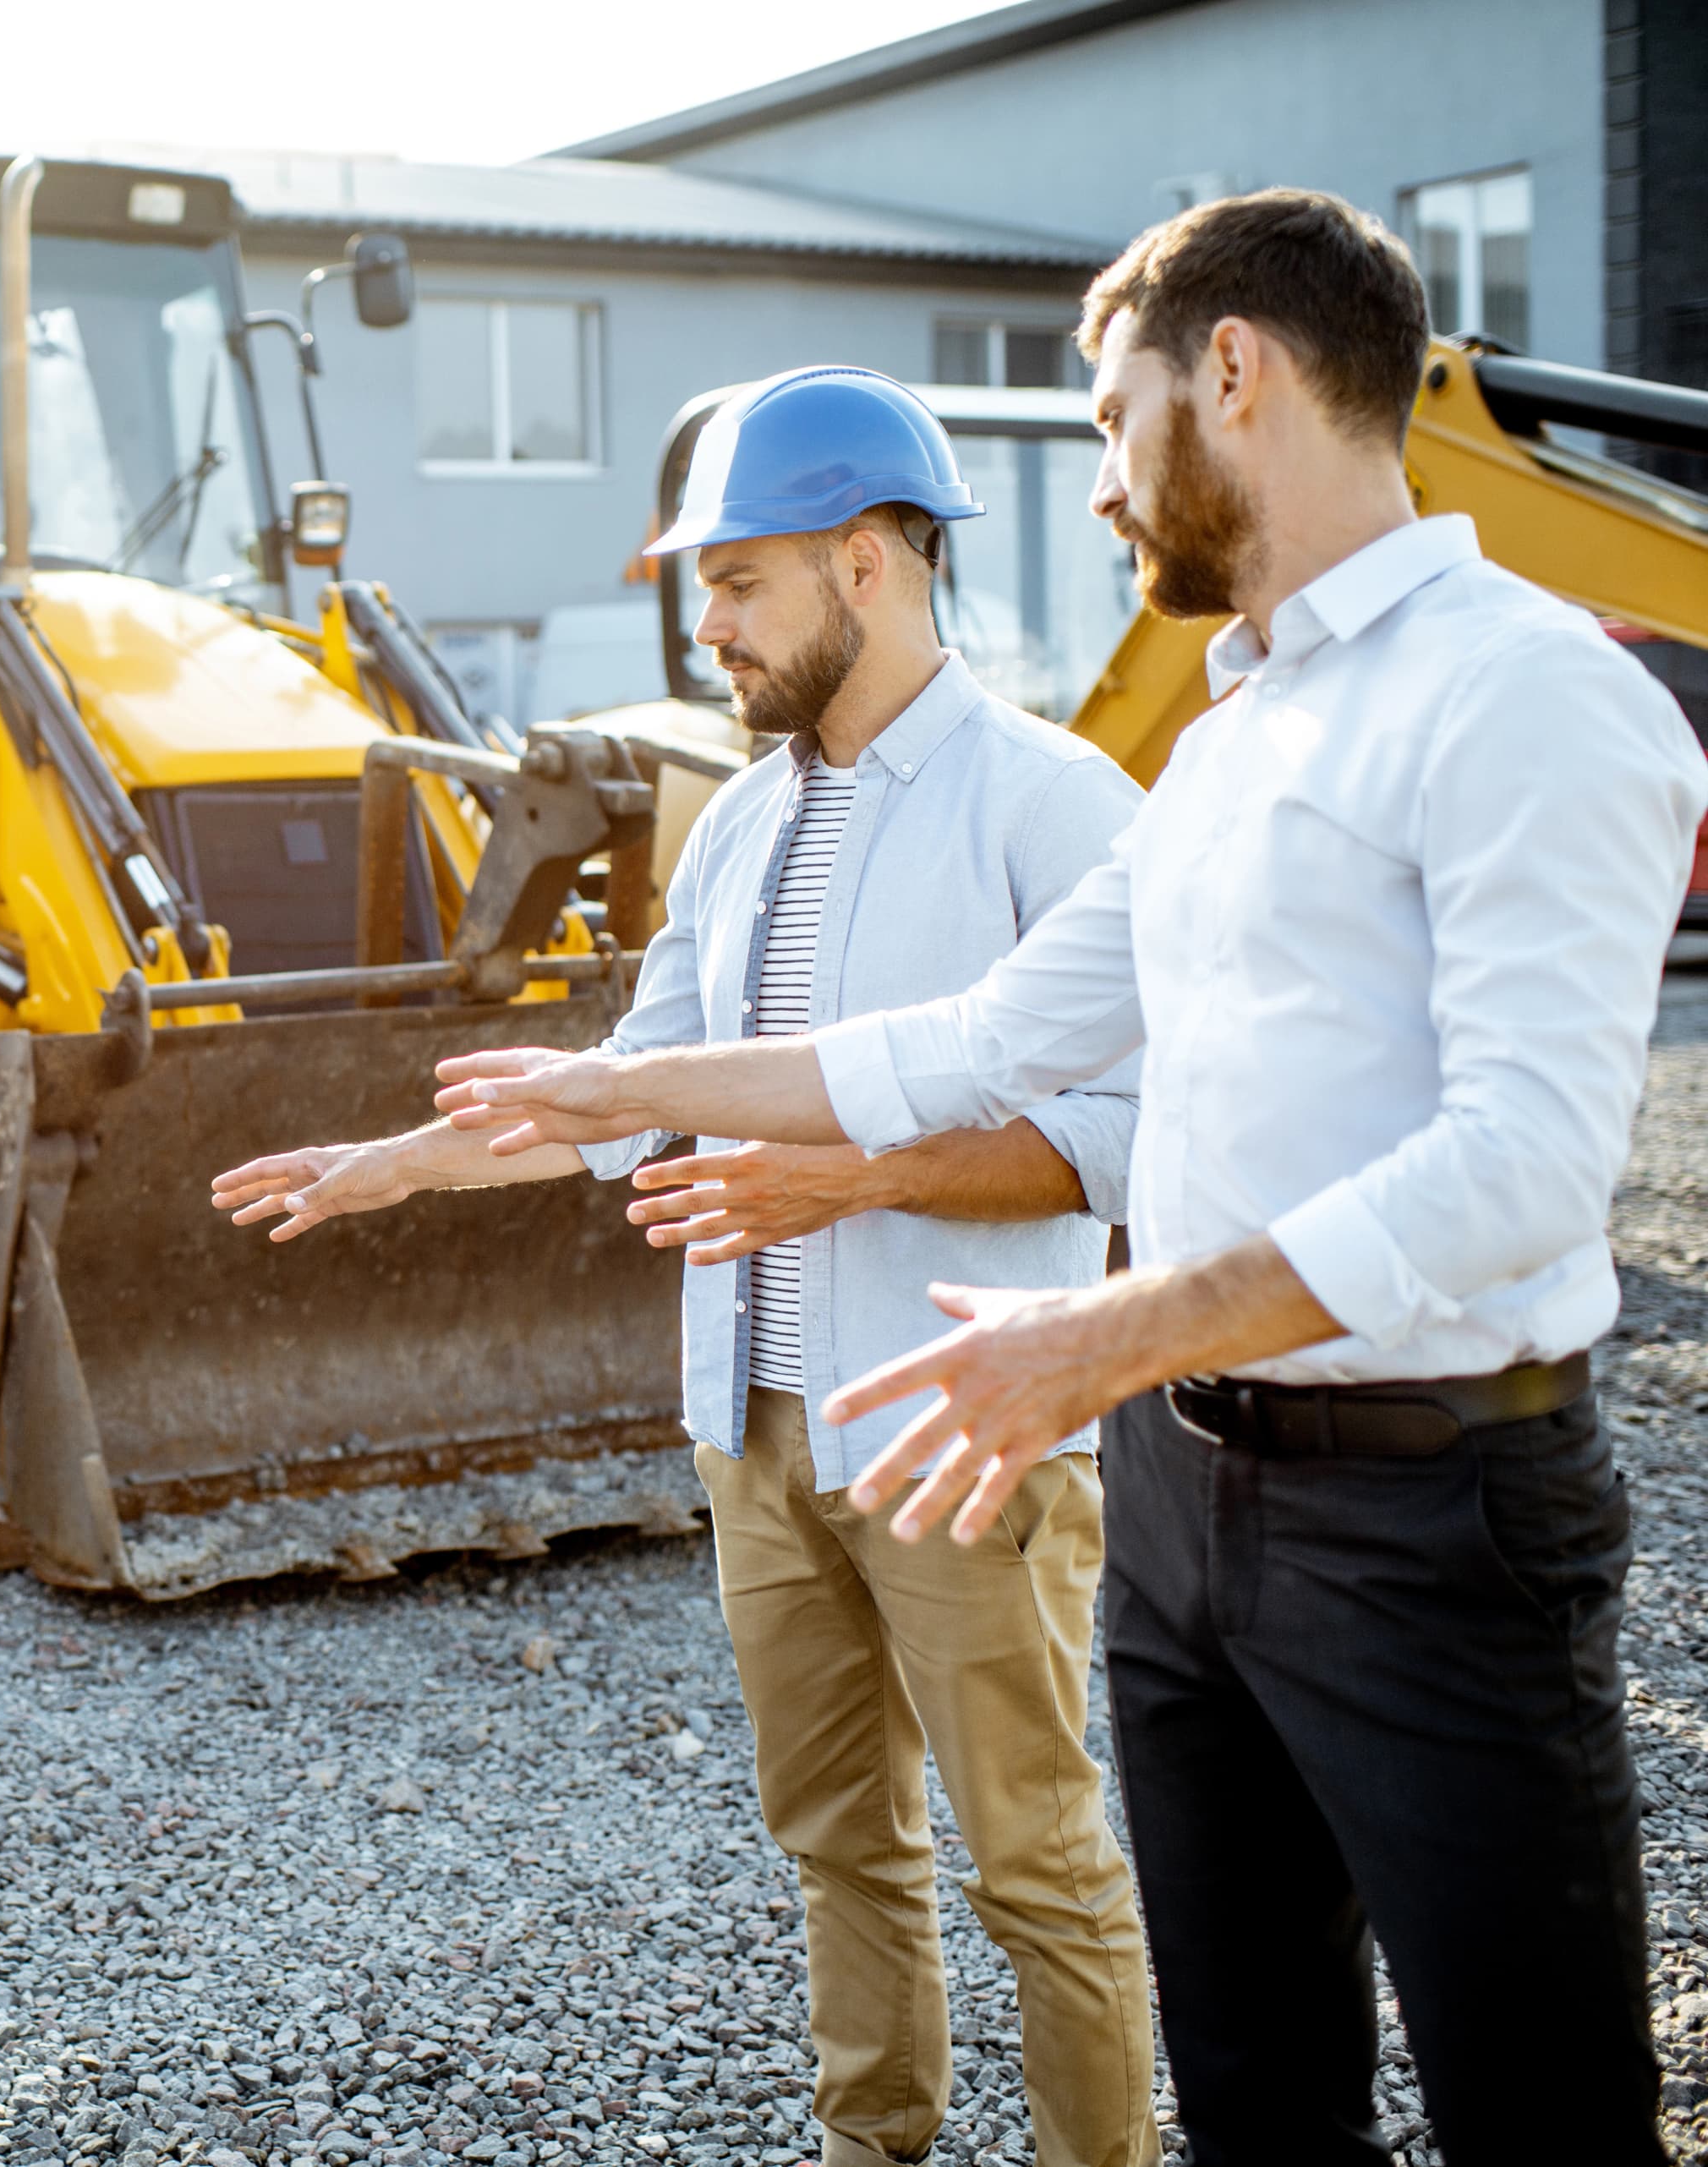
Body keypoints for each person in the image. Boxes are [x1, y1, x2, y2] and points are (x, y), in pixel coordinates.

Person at [426, 189, 1708, 2167]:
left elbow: (1527, 1167)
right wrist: (617, 1084)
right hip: (1194, 1506)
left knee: (1537, 2111)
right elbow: (975, 1037)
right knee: (1265, 2094)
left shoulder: (1526, 694)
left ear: (1232, 372)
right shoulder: (1229, 740)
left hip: (1439, 1514)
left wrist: (1096, 1331)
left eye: (1110, 423)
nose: (1104, 487)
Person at [216, 366, 1158, 2167]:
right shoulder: (733, 827)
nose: (703, 623)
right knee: (838, 1846)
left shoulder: (1053, 804)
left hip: (962, 1429)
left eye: (738, 581)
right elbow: (621, 1093)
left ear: (870, 562)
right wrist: (387, 1169)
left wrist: (847, 1182)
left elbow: (1118, 1142)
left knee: (1037, 1860)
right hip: (755, 1431)